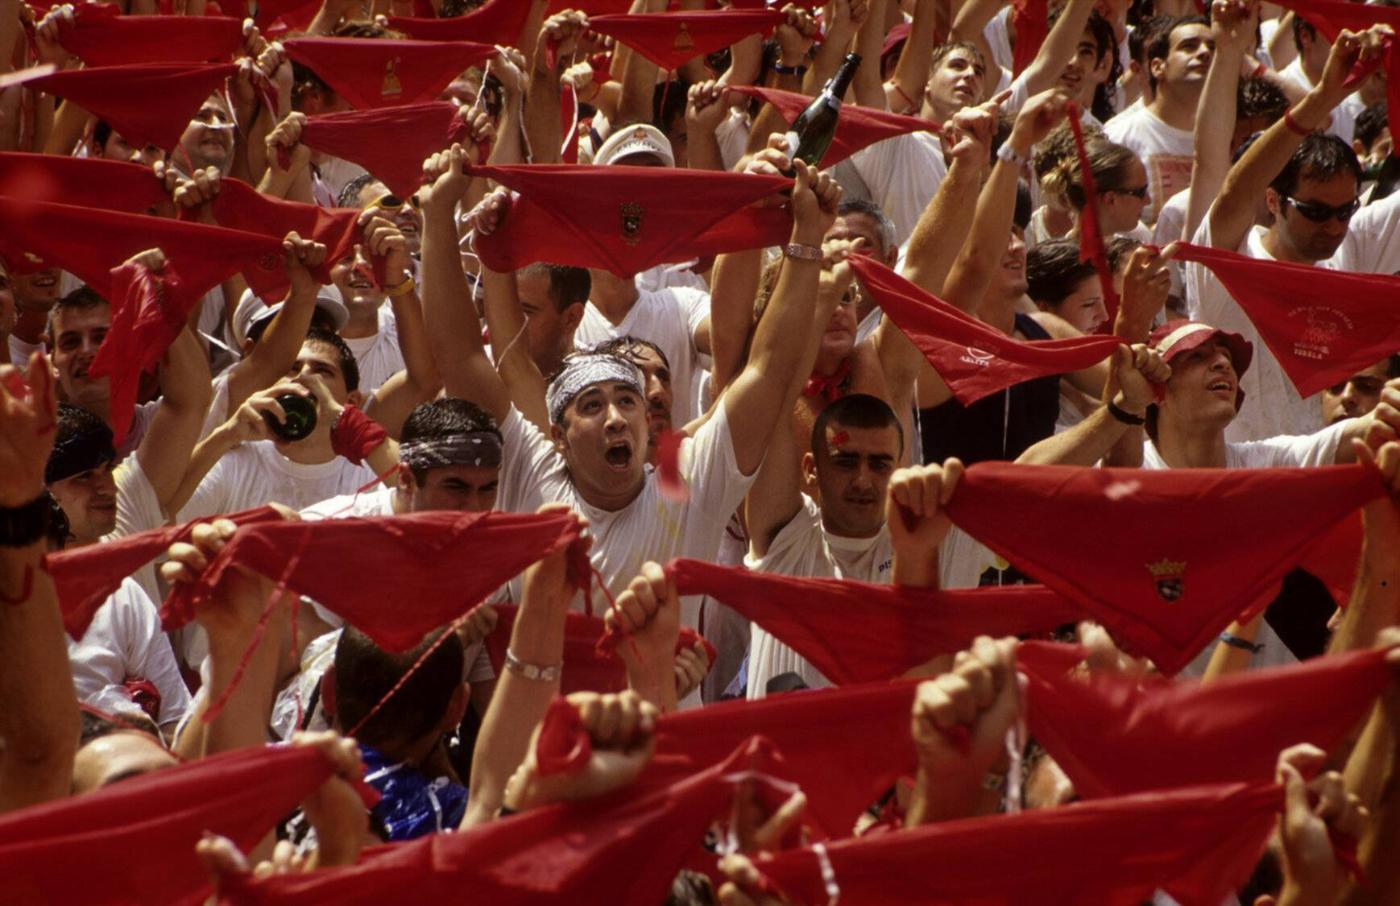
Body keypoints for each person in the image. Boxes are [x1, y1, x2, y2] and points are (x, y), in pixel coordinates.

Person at [421, 140, 842, 641]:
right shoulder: (530, 474)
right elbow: (465, 356)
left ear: (649, 426)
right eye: (592, 406)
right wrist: (438, 215)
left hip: (662, 713)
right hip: (545, 715)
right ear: (557, 435)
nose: (616, 418)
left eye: (627, 403)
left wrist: (807, 239)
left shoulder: (687, 487)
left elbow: (768, 369)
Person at [1193, 24, 1399, 442]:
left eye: (1345, 211)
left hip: (1319, 480)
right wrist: (1323, 98)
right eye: (1316, 211)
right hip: (1237, 481)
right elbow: (1234, 193)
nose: (1334, 227)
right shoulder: (1232, 262)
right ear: (1273, 201)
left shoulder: (1349, 250)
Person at [1104, 15, 1214, 223]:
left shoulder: (1229, 135)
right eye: (1189, 46)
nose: (1205, 53)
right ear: (1157, 67)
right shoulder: (1119, 137)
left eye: (1212, 47)